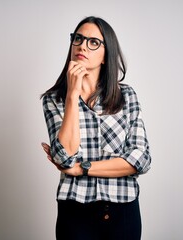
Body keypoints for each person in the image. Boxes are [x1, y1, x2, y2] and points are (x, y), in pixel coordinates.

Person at [40, 16, 151, 240]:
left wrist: (82, 168)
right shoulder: (53, 99)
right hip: (75, 213)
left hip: (123, 210)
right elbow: (65, 159)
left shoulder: (126, 96)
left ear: (105, 54)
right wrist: (72, 95)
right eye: (78, 39)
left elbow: (141, 159)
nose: (82, 45)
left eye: (93, 42)